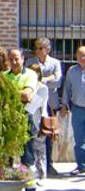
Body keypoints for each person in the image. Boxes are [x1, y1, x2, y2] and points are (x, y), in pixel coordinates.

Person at [5, 48, 38, 191]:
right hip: (8, 121)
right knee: (8, 157)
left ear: (23, 58)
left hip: (25, 119)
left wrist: (9, 93)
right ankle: (8, 189)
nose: (14, 62)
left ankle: (30, 189)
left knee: (27, 156)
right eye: (11, 59)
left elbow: (27, 95)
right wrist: (19, 94)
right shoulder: (4, 76)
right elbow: (22, 95)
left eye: (17, 58)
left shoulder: (31, 75)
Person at [25, 37, 62, 177]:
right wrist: (49, 78)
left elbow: (58, 81)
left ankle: (49, 164)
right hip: (33, 105)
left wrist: (43, 80)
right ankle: (34, 164)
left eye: (40, 48)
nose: (37, 51)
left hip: (50, 104)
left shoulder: (55, 63)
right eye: (36, 48)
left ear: (48, 50)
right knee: (34, 136)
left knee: (49, 133)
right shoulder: (30, 62)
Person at [61, 45, 85, 176]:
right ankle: (81, 166)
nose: (83, 58)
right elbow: (67, 88)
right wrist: (64, 105)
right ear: (76, 57)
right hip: (77, 110)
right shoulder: (72, 71)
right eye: (80, 55)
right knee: (79, 140)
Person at [28, 64, 50, 186]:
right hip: (28, 120)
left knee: (40, 150)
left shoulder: (42, 88)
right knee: (30, 150)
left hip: (38, 120)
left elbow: (34, 105)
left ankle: (42, 175)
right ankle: (32, 175)